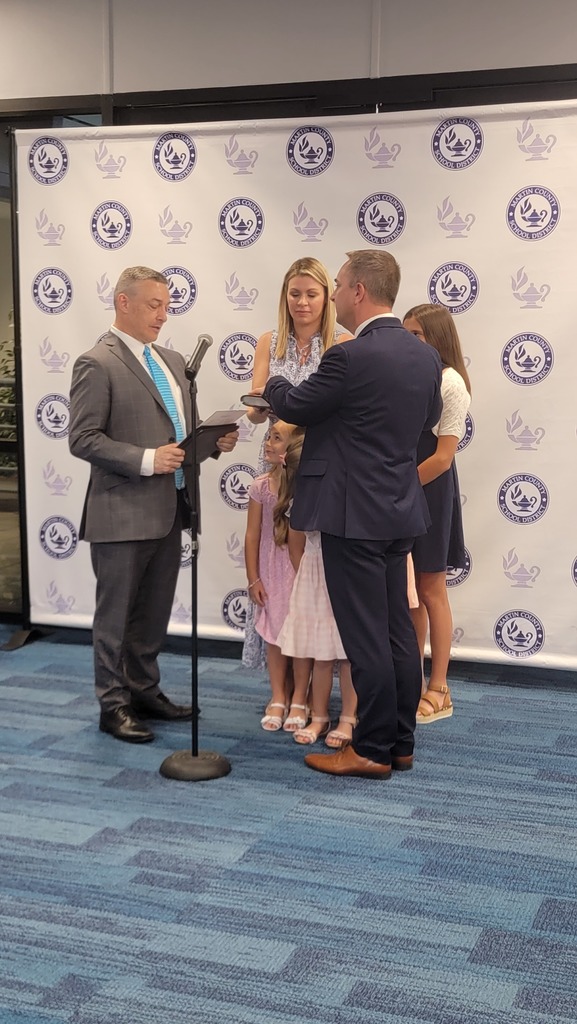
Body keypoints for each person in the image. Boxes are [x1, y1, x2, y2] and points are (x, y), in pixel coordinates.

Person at [262, 249, 442, 778]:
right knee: (396, 634)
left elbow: (295, 405)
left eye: (338, 285)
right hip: (398, 510)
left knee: (366, 639)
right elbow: (423, 421)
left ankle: (368, 750)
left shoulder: (348, 356)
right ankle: (399, 745)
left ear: (359, 291)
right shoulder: (424, 356)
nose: (335, 294)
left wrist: (271, 384)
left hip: (351, 516)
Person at [68, 266, 238, 743]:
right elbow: (82, 439)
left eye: (167, 306)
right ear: (124, 302)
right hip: (121, 512)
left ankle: (144, 690)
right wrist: (145, 459)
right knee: (116, 616)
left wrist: (211, 440)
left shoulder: (171, 359)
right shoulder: (96, 363)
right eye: (153, 306)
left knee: (153, 612)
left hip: (172, 507)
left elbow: (180, 435)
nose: (164, 315)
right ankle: (113, 704)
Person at [242, 256, 352, 675]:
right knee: (274, 563)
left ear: (327, 297)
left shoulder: (342, 343)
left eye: (311, 294)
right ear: (283, 295)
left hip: (321, 465)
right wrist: (254, 411)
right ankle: (283, 684)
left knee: (314, 566)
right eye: (294, 293)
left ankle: (320, 678)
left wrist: (292, 412)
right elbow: (257, 404)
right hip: (276, 464)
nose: (302, 302)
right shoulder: (269, 341)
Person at [402, 304, 471, 723]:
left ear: (438, 339)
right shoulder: (409, 378)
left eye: (417, 336)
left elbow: (443, 457)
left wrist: (399, 486)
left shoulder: (451, 383)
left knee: (430, 590)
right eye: (406, 334)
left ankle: (439, 687)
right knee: (408, 596)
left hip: (429, 490)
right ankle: (411, 681)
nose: (408, 343)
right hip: (403, 489)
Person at [244, 422, 312, 732]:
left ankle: (301, 697)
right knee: (272, 634)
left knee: (300, 637)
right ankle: (278, 696)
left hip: (299, 570)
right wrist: (253, 578)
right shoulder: (260, 486)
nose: (268, 443)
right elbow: (252, 535)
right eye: (268, 436)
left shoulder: (306, 488)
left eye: (276, 438)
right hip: (271, 572)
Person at [278, 523, 357, 747]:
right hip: (315, 577)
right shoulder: (304, 498)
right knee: (321, 653)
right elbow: (295, 548)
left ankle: (348, 719)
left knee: (348, 655)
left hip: (349, 573)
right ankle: (320, 717)